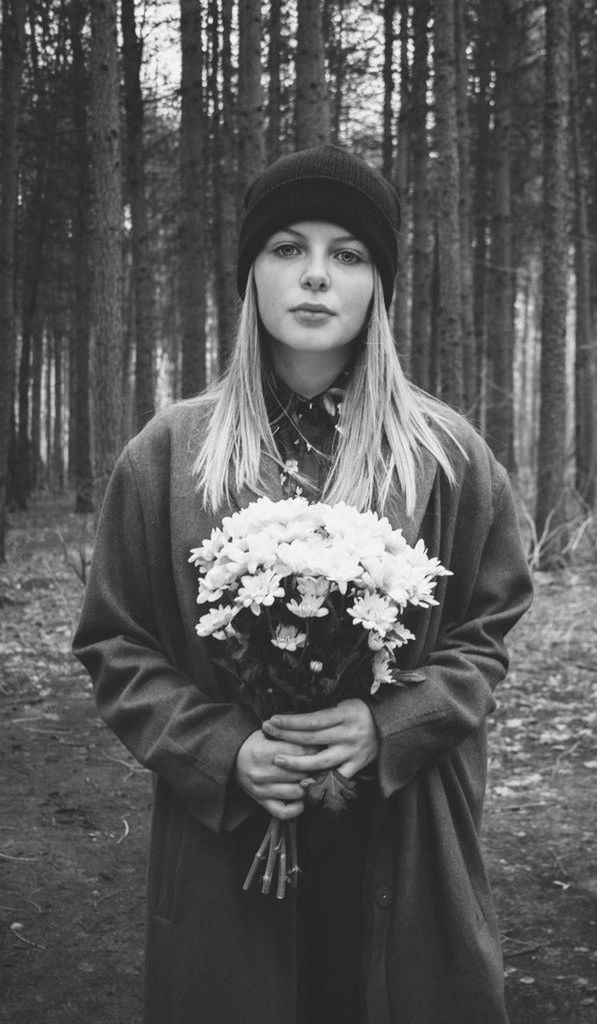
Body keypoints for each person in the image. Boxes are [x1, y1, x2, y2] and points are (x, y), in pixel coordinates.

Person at [73, 144, 533, 1024]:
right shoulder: (169, 456)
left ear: (378, 285)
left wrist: (389, 722)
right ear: (250, 274)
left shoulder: (445, 456)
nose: (316, 277)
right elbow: (114, 642)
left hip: (404, 838)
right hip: (228, 851)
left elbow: (487, 626)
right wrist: (223, 750)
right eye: (287, 249)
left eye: (347, 254)